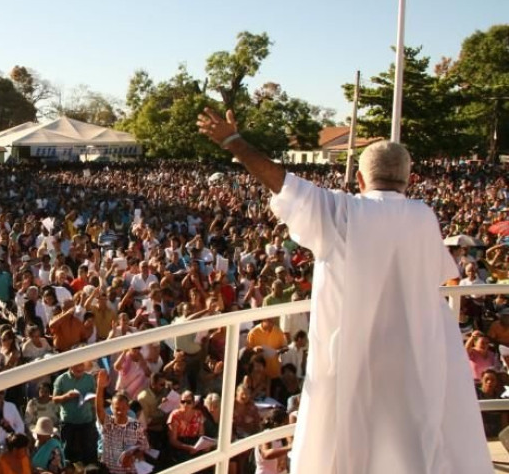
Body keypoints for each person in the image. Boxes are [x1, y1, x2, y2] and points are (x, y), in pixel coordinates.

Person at [198, 108, 491, 472]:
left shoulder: (344, 211)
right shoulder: (423, 216)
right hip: (417, 352)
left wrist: (233, 141)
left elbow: (283, 183)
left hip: (353, 356)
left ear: (359, 179)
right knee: (413, 446)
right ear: (409, 179)